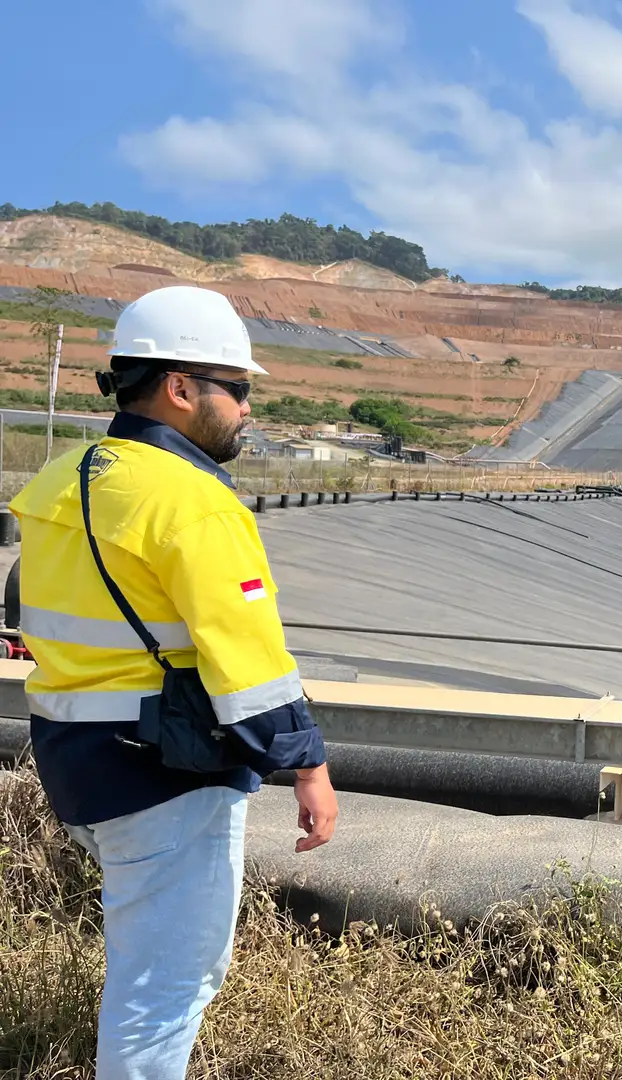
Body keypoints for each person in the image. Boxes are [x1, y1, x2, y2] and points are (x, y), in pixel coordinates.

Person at [11, 285, 337, 1080]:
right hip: (166, 774)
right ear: (181, 388)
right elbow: (249, 663)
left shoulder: (63, 480)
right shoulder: (193, 503)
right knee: (164, 990)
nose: (249, 408)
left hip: (75, 761)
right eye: (239, 389)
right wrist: (310, 768)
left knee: (145, 971)